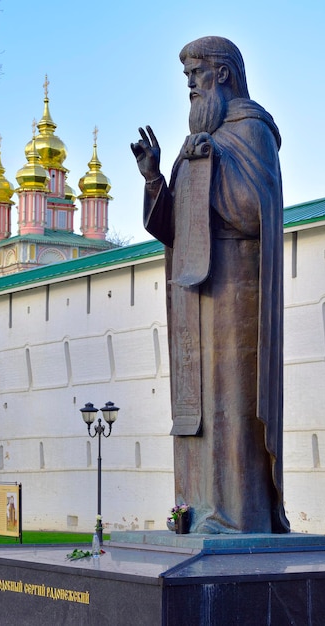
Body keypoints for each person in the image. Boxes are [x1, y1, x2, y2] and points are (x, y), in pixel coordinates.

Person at [131, 36, 290, 533]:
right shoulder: (204, 142)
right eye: (187, 80)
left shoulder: (251, 129)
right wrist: (156, 177)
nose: (190, 87)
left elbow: (252, 209)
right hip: (195, 293)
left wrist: (210, 161)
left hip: (236, 286)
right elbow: (172, 225)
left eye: (195, 76)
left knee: (231, 399)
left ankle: (238, 515)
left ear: (222, 74)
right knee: (197, 403)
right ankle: (194, 508)